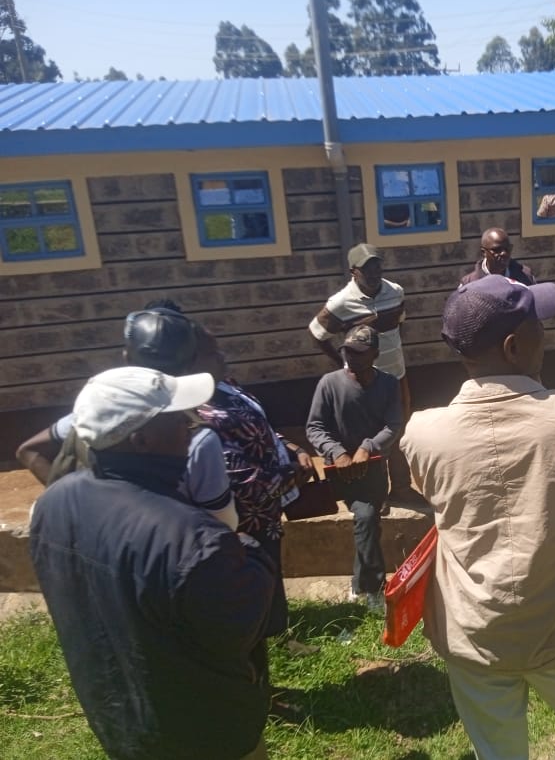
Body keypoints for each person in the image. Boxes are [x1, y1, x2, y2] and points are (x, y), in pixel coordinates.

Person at [401, 275, 555, 759]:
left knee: (498, 752)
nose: (546, 338)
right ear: (513, 346)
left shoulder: (422, 434)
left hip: (475, 631)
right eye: (538, 327)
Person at [30, 367, 275, 760]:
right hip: (207, 734)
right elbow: (240, 626)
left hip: (119, 718)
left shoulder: (53, 503)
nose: (190, 424)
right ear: (140, 438)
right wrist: (247, 547)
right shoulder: (195, 541)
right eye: (177, 417)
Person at [15, 307, 238, 531]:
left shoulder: (95, 415)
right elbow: (224, 523)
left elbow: (29, 450)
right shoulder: (199, 437)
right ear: (192, 363)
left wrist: (75, 503)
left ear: (127, 357)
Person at [192, 324, 314, 639]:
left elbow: (263, 427)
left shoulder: (228, 388)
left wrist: (293, 448)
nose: (222, 356)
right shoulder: (202, 413)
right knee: (253, 575)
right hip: (243, 515)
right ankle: (262, 642)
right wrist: (292, 476)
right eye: (212, 352)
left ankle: (278, 634)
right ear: (192, 361)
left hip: (267, 511)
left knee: (271, 567)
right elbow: (241, 481)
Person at [309, 243, 416, 506]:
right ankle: (370, 492)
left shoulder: (395, 292)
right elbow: (317, 334)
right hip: (364, 382)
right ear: (353, 272)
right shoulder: (341, 302)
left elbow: (398, 325)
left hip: (396, 374)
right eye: (367, 269)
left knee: (399, 429)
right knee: (370, 434)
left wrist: (392, 352)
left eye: (377, 266)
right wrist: (342, 361)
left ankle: (401, 488)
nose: (374, 272)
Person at [306, 325, 402, 610]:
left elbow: (393, 424)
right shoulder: (329, 383)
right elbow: (315, 427)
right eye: (348, 351)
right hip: (340, 472)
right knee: (367, 520)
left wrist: (367, 447)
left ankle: (364, 585)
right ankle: (371, 586)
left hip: (371, 472)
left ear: (375, 353)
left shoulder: (389, 384)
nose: (353, 357)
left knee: (366, 518)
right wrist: (336, 452)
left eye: (360, 353)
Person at [459, 226, 537, 286]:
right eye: (497, 250)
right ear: (484, 252)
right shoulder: (469, 284)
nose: (504, 253)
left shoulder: (525, 277)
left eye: (507, 249)